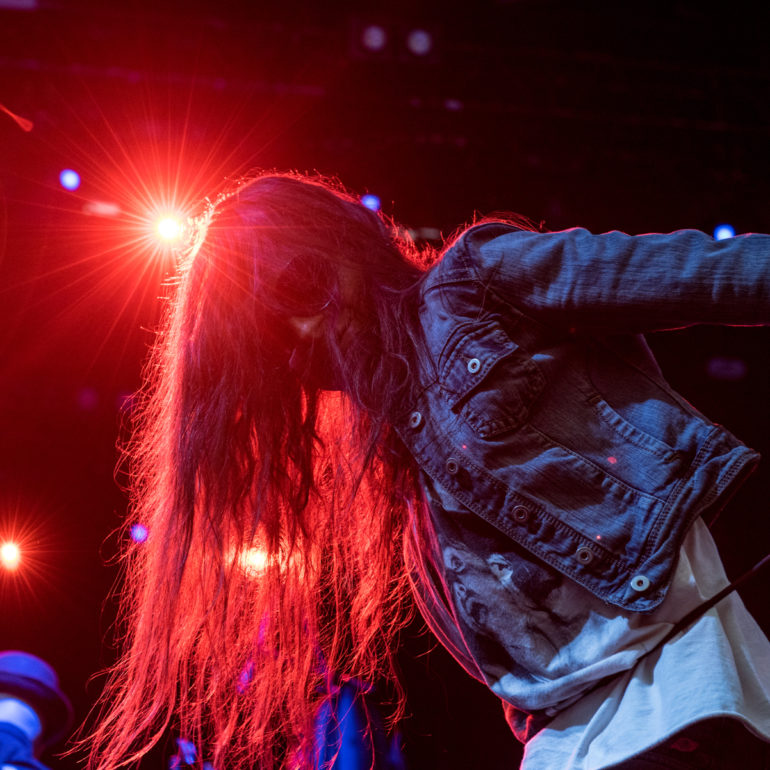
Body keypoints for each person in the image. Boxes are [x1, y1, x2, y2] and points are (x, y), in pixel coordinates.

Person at [86, 172, 770, 769]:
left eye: (301, 286)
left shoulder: (478, 284)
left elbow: (707, 271)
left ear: (346, 248)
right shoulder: (397, 459)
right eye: (270, 338)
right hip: (572, 741)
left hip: (672, 699)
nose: (300, 337)